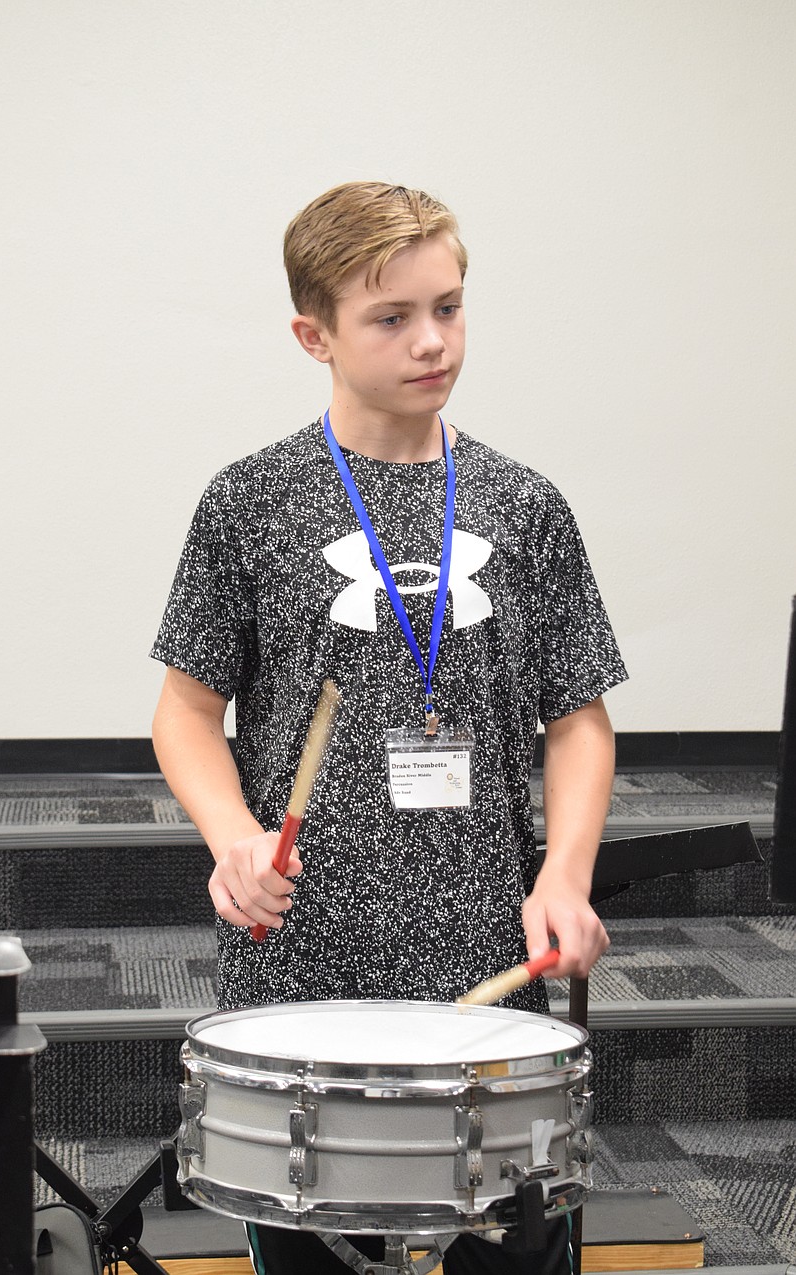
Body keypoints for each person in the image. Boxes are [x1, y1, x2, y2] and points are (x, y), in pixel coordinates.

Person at [151, 181, 628, 1274]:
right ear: (311, 335)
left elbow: (581, 720)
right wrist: (232, 837)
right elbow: (184, 713)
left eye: (449, 308)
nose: (432, 341)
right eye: (391, 318)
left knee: (501, 1250)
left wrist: (565, 872)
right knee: (325, 1257)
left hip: (481, 941)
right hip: (302, 960)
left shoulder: (524, 504)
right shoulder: (250, 500)